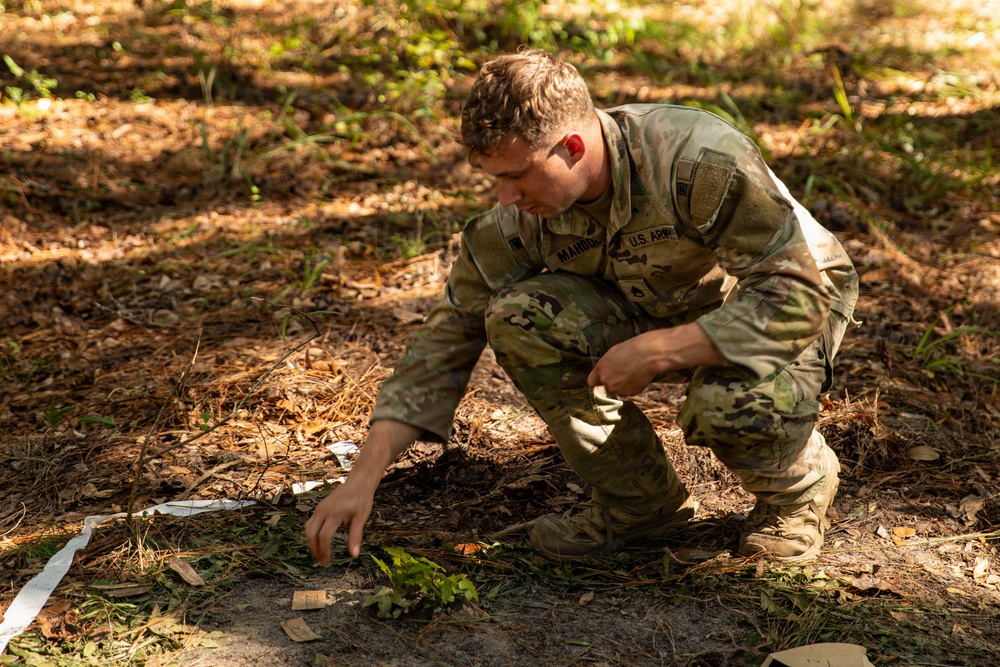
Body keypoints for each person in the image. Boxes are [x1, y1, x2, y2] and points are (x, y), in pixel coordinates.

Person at [305, 48, 859, 564]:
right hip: (661, 305)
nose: (506, 197)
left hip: (780, 298)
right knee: (518, 316)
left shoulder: (696, 160)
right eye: (495, 179)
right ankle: (640, 505)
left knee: (727, 403)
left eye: (516, 176)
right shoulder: (521, 218)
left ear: (572, 147)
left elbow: (796, 293)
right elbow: (444, 341)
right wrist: (362, 479)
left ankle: (796, 494)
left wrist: (662, 349)